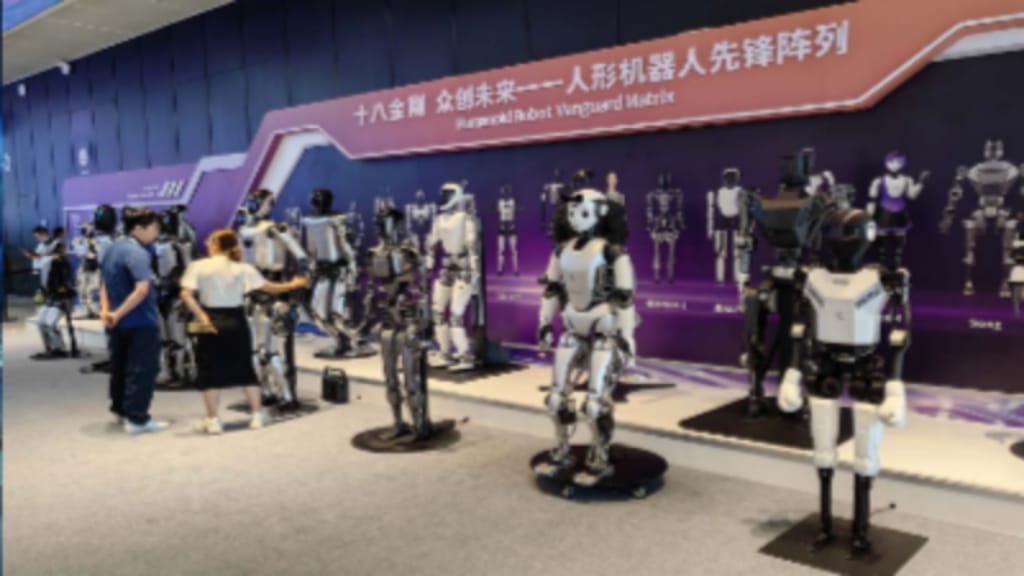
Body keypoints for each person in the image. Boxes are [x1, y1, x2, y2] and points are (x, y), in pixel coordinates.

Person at [179, 229, 307, 435]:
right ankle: (257, 416)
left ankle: (213, 420)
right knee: (245, 367)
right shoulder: (243, 268)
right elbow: (270, 287)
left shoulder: (198, 266)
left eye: (209, 241)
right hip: (236, 319)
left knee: (209, 369)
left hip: (209, 317)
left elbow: (186, 294)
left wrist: (201, 315)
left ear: (215, 245)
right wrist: (293, 284)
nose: (206, 243)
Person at [100, 207, 168, 434]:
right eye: (154, 228)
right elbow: (141, 290)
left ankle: (121, 410)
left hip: (117, 323)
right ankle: (138, 419)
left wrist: (107, 312)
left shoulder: (112, 248)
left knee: (120, 367)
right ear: (138, 228)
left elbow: (103, 284)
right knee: (143, 369)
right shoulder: (137, 253)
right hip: (141, 321)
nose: (157, 232)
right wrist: (117, 313)